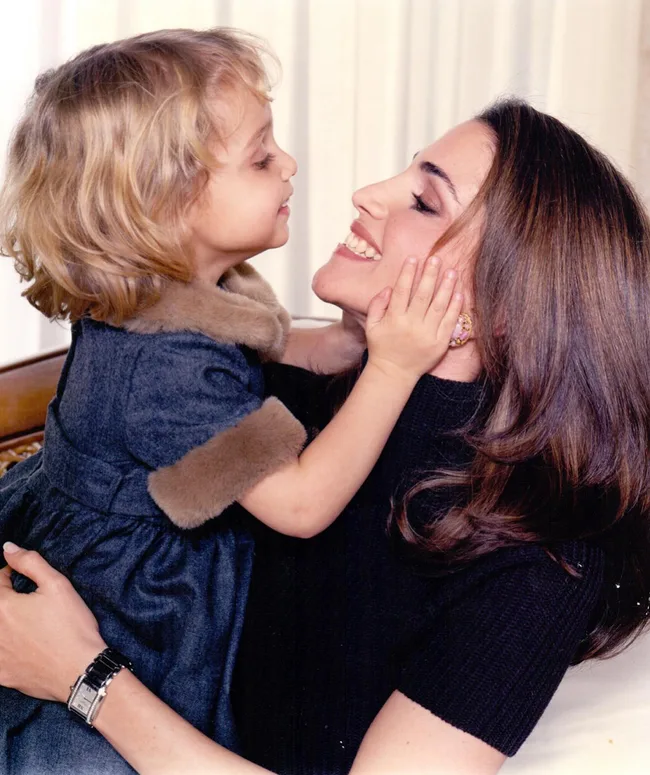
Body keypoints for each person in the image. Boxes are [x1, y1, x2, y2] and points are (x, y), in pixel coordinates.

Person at [2, 98, 650, 775]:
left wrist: (84, 674)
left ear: (508, 305)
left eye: (423, 201)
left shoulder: (538, 567)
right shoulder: (300, 396)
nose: (367, 195)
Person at [0, 27, 465, 775]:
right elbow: (303, 504)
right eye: (260, 157)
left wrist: (364, 336)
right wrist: (395, 369)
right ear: (164, 203)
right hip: (122, 603)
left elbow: (293, 346)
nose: (289, 163)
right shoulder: (163, 372)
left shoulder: (191, 291)